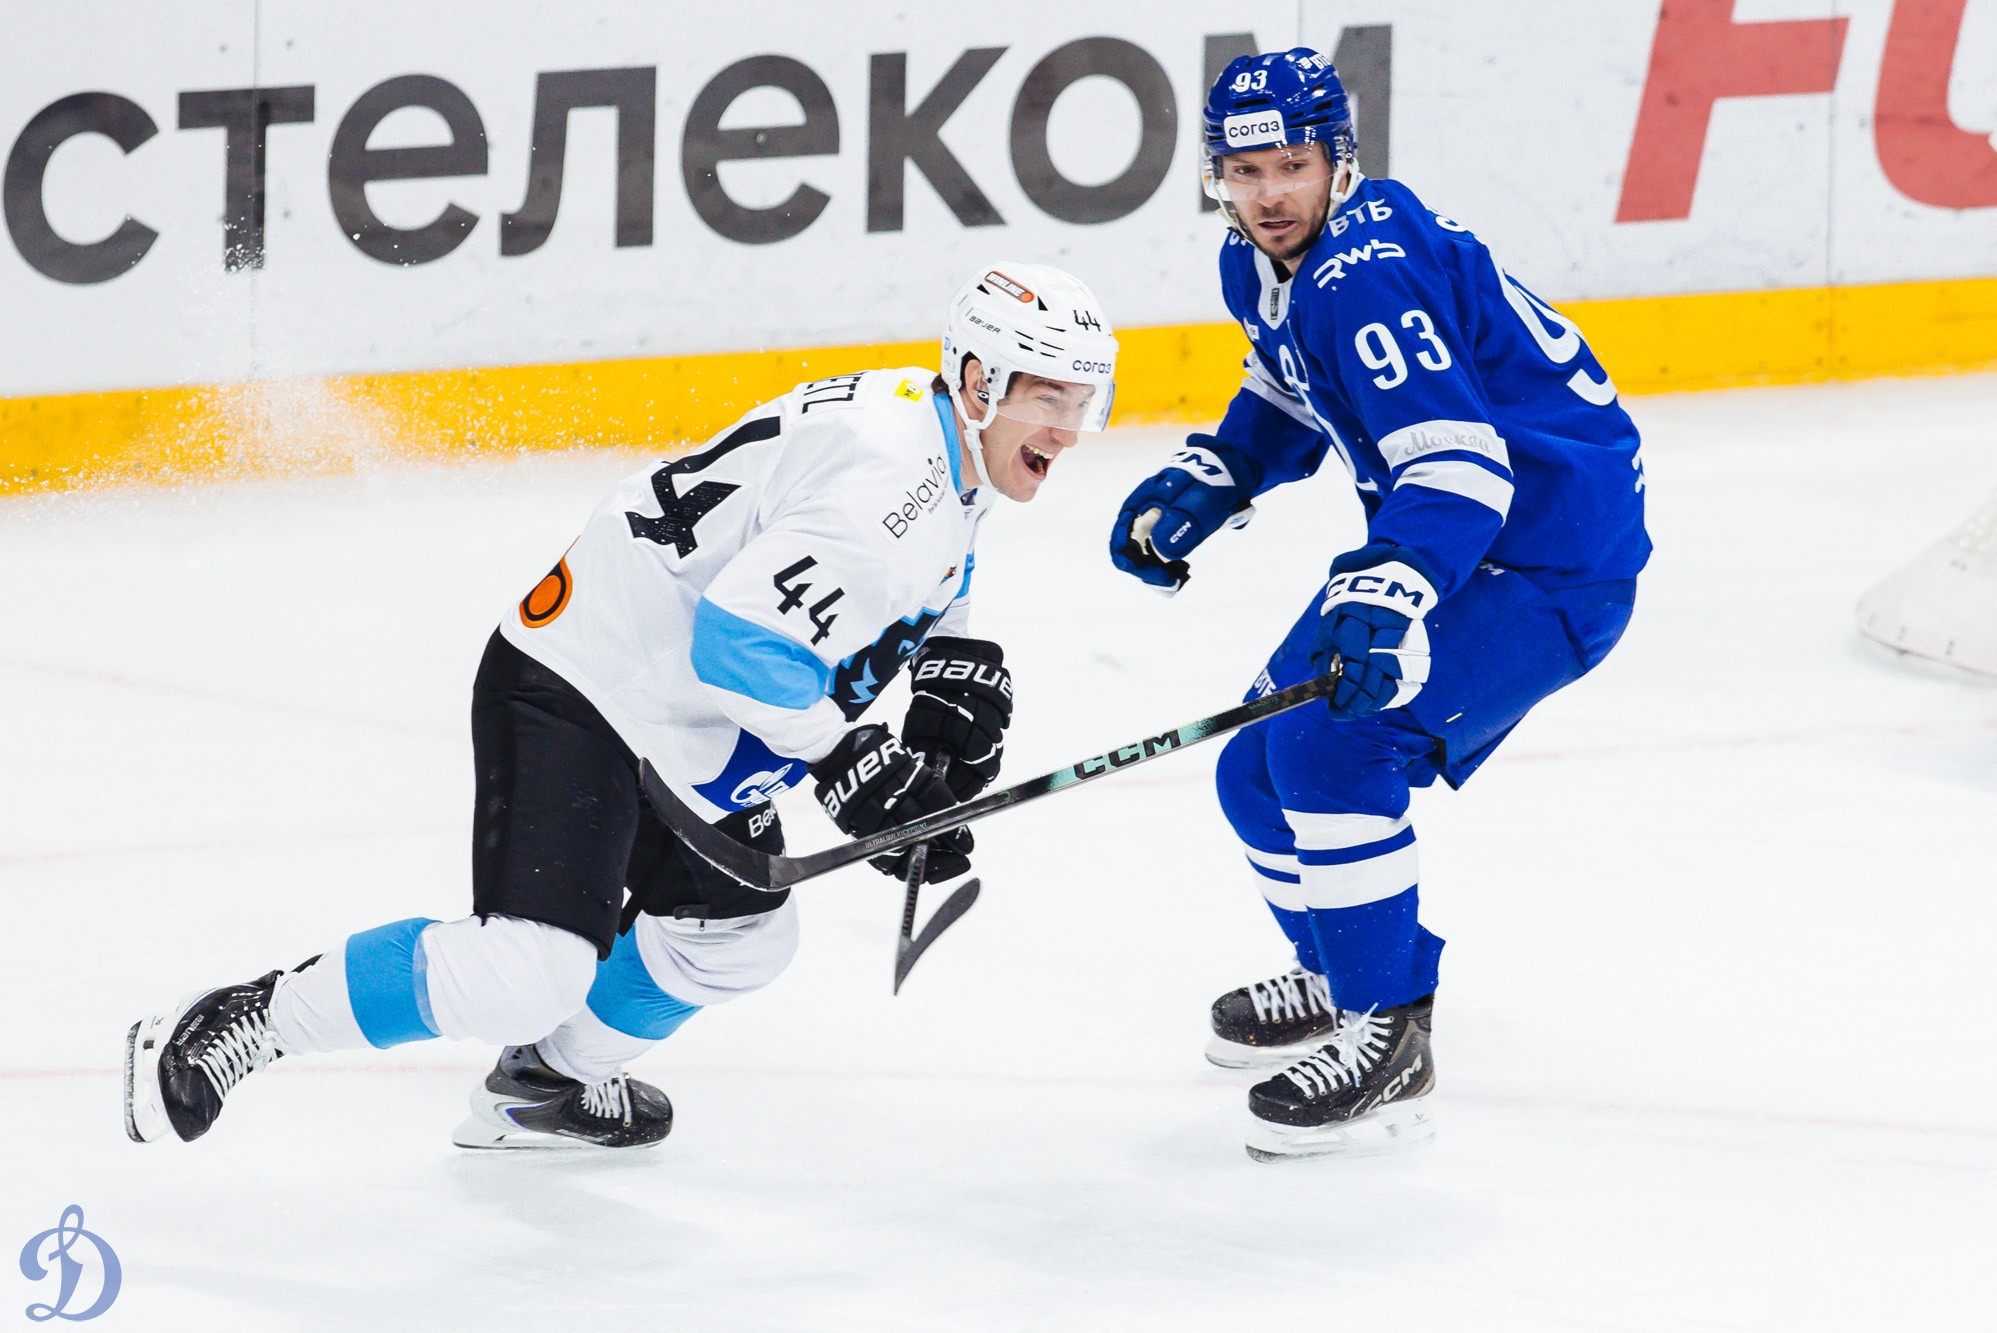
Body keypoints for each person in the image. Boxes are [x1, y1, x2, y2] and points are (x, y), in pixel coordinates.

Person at [125, 262, 1119, 1150]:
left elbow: (927, 558)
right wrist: (848, 762)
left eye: (1081, 400)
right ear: (979, 380)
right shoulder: (889, 481)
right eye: (1048, 397)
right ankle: (246, 1018)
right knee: (527, 970)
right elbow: (738, 640)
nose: (1067, 428)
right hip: (585, 686)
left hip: (678, 723)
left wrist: (950, 660)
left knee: (738, 936)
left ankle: (542, 1086)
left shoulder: (933, 434)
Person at [1108, 49, 1650, 1161]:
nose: (1268, 194)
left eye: (1291, 166)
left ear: (1338, 163)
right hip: (1456, 535)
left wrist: (1393, 585)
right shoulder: (1257, 259)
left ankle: (1387, 1033)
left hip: (1546, 560)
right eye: (1243, 171)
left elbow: (1459, 464)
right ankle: (1340, 970)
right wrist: (1221, 471)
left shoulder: (1364, 273)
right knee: (1252, 766)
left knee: (1329, 748)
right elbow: (1293, 384)